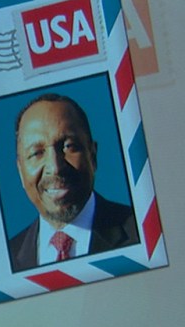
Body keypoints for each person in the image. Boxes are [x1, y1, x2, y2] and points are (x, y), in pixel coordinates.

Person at [7, 92, 139, 271]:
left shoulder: (142, 231)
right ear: (21, 172)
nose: (55, 167)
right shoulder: (4, 259)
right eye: (37, 153)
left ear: (92, 156)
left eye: (69, 146)